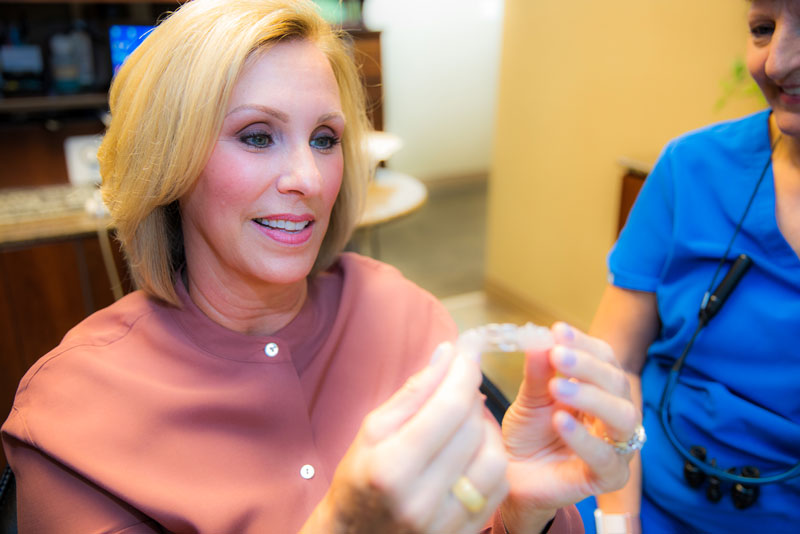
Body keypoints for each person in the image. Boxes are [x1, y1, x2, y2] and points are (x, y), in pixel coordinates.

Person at [1, 1, 640, 532]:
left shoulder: (400, 310)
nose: (308, 178)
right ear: (169, 160)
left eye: (326, 139)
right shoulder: (70, 422)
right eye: (257, 135)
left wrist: (521, 507)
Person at [589, 1, 800, 532]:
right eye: (762, 29)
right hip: (637, 497)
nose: (775, 63)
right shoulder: (691, 168)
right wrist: (620, 523)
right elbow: (615, 365)